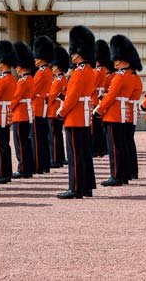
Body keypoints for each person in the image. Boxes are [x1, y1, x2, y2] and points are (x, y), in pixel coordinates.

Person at [95, 34, 142, 186]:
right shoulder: (131, 75)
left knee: (114, 147)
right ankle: (123, 174)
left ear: (123, 59)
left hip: (114, 114)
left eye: (116, 59)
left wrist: (99, 110)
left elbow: (110, 96)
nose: (114, 61)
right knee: (121, 145)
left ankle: (116, 175)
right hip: (122, 113)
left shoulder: (120, 76)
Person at [56, 25, 97, 199]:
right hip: (84, 116)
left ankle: (76, 188)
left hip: (74, 117)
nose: (71, 55)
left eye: (73, 52)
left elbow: (72, 98)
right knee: (84, 153)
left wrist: (61, 112)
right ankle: (86, 186)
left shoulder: (79, 73)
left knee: (74, 155)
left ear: (79, 53)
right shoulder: (89, 71)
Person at [0, 40, 17, 184]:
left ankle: (1, 173)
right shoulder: (12, 79)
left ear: (3, 63)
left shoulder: (1, 81)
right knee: (5, 145)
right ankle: (7, 172)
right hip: (6, 116)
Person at [10, 41, 36, 178]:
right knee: (26, 142)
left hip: (20, 115)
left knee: (20, 144)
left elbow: (15, 99)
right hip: (27, 114)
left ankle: (23, 168)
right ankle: (29, 167)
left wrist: (8, 110)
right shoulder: (30, 79)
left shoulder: (22, 81)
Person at [31, 36, 54, 175]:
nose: (34, 59)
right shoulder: (48, 71)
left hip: (37, 108)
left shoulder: (41, 73)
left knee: (36, 138)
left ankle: (38, 165)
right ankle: (44, 164)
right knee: (43, 138)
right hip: (43, 107)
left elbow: (32, 92)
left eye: (36, 57)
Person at [47, 46, 69, 168]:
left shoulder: (58, 80)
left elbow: (51, 97)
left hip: (53, 111)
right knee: (57, 135)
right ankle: (59, 157)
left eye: (53, 66)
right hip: (56, 110)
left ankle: (55, 159)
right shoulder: (60, 79)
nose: (52, 68)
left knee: (54, 136)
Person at [91, 40, 111, 158]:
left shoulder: (98, 71)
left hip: (94, 100)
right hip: (98, 100)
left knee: (95, 128)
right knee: (98, 127)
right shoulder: (102, 70)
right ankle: (100, 148)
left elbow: (91, 87)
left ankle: (96, 149)